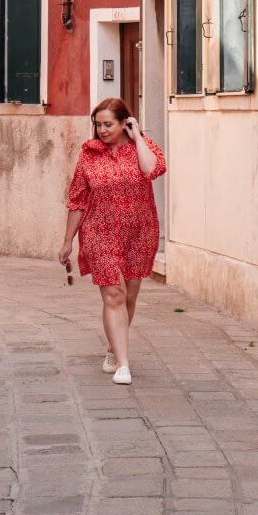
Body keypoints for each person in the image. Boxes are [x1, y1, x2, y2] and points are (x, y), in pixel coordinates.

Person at [59, 98, 166, 385]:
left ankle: (113, 348)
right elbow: (77, 200)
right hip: (99, 232)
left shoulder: (143, 148)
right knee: (114, 295)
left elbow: (153, 170)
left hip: (138, 233)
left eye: (108, 124)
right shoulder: (89, 154)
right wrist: (68, 241)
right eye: (98, 125)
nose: (102, 130)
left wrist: (138, 136)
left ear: (124, 123)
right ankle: (123, 364)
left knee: (129, 297)